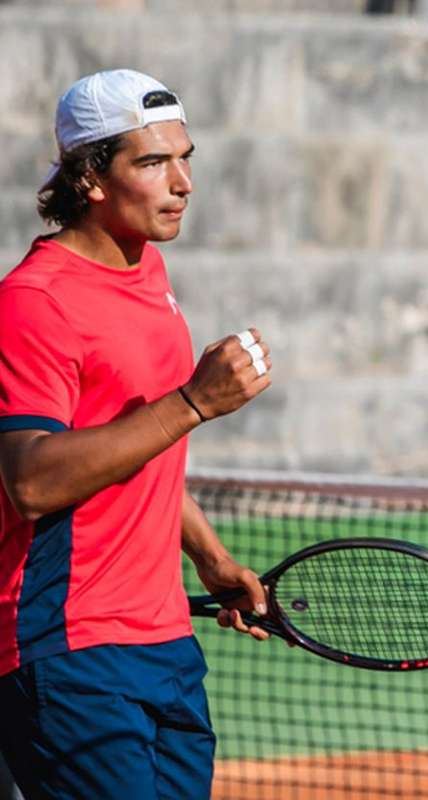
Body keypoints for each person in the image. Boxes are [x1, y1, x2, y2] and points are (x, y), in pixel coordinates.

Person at [0, 69, 273, 799]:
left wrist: (211, 560)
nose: (182, 182)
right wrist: (193, 401)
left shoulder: (149, 273)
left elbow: (135, 443)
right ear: (90, 176)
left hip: (166, 645)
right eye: (153, 162)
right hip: (70, 646)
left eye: (185, 158)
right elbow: (30, 481)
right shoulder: (35, 302)